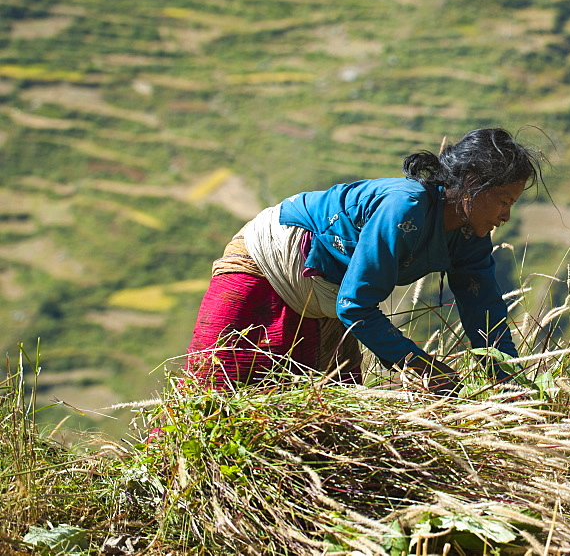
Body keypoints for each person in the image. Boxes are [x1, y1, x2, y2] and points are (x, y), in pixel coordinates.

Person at [184, 128, 544, 395]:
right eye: (502, 200)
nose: (506, 216)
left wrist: (510, 382)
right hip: (271, 260)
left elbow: (485, 313)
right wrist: (419, 365)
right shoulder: (406, 207)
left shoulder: (470, 236)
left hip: (328, 290)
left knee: (328, 412)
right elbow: (355, 306)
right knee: (211, 389)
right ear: (470, 184)